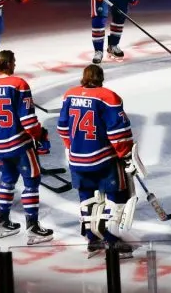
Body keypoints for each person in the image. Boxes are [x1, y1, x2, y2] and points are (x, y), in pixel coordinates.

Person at [57, 64, 137, 258]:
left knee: (87, 198)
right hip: (103, 158)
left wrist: (72, 147)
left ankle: (92, 239)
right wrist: (126, 154)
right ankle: (111, 239)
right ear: (101, 77)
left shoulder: (69, 95)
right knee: (116, 196)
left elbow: (62, 127)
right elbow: (118, 132)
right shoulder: (108, 97)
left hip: (77, 159)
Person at [0, 50, 54, 244]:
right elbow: (28, 121)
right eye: (13, 62)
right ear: (8, 64)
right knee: (32, 180)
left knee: (7, 180)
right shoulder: (19, 84)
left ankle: (2, 222)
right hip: (19, 144)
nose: (15, 65)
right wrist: (41, 135)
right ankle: (33, 227)